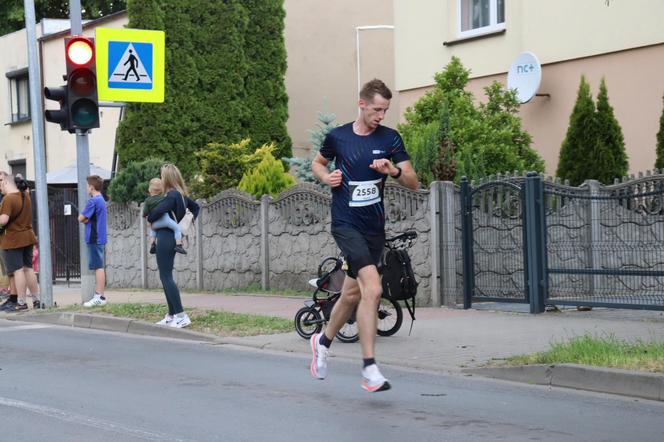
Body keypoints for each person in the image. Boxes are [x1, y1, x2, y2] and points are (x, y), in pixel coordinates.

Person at [310, 79, 419, 392]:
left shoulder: (390, 139)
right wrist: (325, 176)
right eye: (376, 109)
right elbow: (318, 162)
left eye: (385, 110)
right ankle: (370, 369)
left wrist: (393, 171)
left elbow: (413, 181)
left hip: (374, 230)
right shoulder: (338, 137)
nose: (381, 115)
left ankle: (322, 341)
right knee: (372, 288)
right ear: (361, 104)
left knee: (352, 294)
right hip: (345, 224)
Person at [146, 164, 200, 328]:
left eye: (162, 176)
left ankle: (182, 315)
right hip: (172, 237)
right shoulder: (182, 196)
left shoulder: (171, 196)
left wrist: (152, 218)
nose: (161, 179)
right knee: (166, 275)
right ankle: (171, 316)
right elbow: (196, 207)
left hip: (165, 237)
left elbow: (152, 216)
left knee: (166, 277)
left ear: (167, 178)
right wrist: (185, 222)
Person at [0, 172, 41, 312]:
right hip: (28, 237)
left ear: (6, 182)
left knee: (17, 271)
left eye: (1, 183)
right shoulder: (26, 196)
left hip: (13, 240)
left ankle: (21, 302)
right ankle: (36, 300)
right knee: (28, 269)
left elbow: (3, 220)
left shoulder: (8, 199)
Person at [78, 175, 108, 307]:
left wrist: (85, 219)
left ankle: (99, 296)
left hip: (94, 237)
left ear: (91, 187)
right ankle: (100, 296)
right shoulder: (101, 200)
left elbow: (81, 218)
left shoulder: (93, 201)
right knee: (99, 266)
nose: (86, 188)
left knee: (98, 267)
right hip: (100, 236)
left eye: (87, 186)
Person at [142, 178, 186, 255]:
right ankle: (178, 245)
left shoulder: (147, 201)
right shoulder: (164, 198)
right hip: (166, 221)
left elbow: (145, 213)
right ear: (162, 190)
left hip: (155, 224)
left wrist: (147, 220)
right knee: (177, 228)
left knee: (153, 230)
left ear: (149, 190)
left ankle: (152, 244)